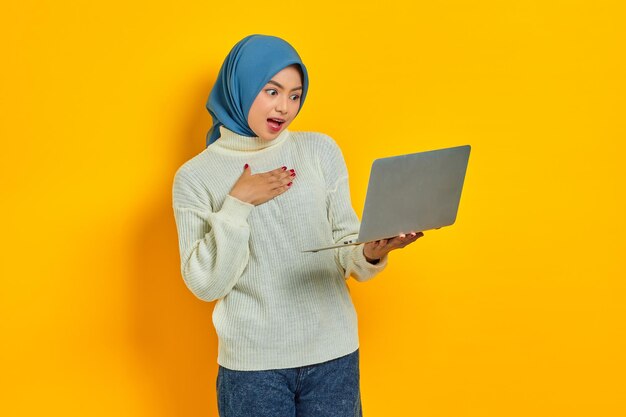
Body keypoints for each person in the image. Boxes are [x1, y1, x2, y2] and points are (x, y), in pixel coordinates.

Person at [172, 34, 423, 417]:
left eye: (295, 95)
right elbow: (206, 284)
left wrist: (372, 250)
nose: (284, 108)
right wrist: (237, 205)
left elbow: (345, 242)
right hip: (254, 368)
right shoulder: (195, 176)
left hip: (334, 355)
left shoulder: (319, 150)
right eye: (272, 91)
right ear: (239, 87)